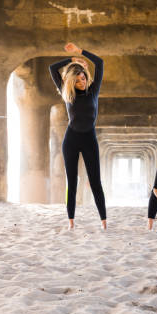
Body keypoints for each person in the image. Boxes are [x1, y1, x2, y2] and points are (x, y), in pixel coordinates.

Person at [49, 43, 107, 230]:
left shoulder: (94, 90)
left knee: (95, 181)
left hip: (89, 139)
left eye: (83, 78)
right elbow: (52, 69)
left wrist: (79, 52)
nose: (82, 82)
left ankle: (104, 222)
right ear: (72, 82)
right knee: (72, 181)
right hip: (71, 140)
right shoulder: (68, 95)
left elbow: (100, 62)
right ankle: (71, 222)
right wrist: (71, 60)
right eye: (78, 80)